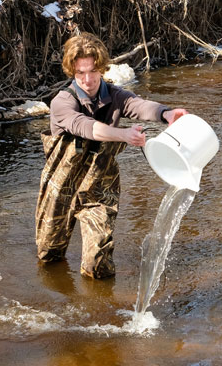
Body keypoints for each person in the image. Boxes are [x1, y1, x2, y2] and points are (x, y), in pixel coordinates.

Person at [35, 32, 188, 279]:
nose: (87, 79)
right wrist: (123, 135)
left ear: (102, 68)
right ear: (72, 72)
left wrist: (166, 114)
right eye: (80, 73)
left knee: (98, 265)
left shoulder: (115, 95)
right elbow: (86, 127)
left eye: (92, 71)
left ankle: (101, 311)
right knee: (49, 257)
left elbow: (139, 106)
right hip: (60, 188)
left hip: (99, 186)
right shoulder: (62, 102)